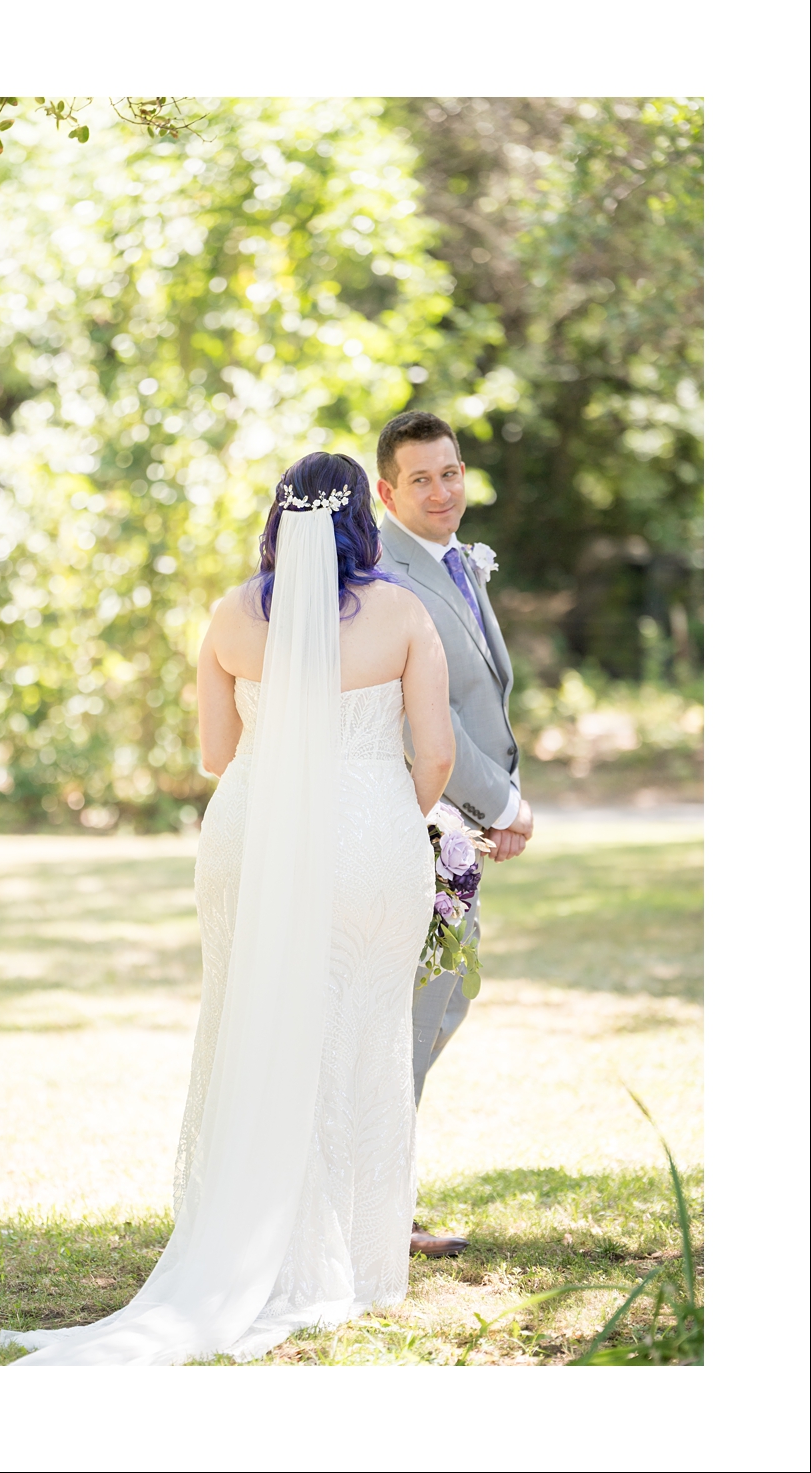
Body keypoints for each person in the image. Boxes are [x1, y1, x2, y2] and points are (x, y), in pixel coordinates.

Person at [1, 453, 454, 1364]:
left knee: (250, 1021)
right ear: (365, 518)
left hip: (248, 836)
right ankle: (355, 1259)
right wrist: (385, 821)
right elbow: (436, 754)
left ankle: (249, 1233)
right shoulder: (406, 612)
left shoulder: (228, 617)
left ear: (280, 518)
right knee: (362, 1034)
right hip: (370, 836)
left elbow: (217, 753)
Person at [374, 409, 532, 1258]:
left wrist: (497, 803)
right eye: (422, 479)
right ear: (384, 491)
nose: (442, 492)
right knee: (413, 1015)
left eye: (452, 472)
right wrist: (503, 806)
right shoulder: (391, 577)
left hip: (455, 821)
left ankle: (377, 1200)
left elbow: (482, 700)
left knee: (441, 1004)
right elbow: (422, 719)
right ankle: (378, 1213)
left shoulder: (456, 560)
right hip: (416, 821)